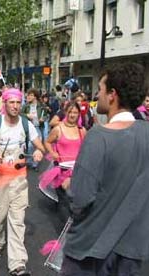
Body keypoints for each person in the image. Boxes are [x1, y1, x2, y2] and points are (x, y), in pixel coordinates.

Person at [60, 63, 149, 275]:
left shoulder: (98, 136)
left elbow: (80, 198)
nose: (97, 95)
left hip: (91, 250)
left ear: (112, 95)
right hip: (132, 249)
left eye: (100, 89)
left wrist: (69, 184)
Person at [0, 88, 45, 276]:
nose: (15, 106)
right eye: (11, 102)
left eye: (17, 102)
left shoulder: (26, 124)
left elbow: (40, 146)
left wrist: (39, 151)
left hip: (19, 178)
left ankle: (17, 263)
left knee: (17, 220)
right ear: (4, 104)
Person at [40, 102, 86, 223]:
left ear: (78, 114)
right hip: (62, 170)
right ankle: (64, 233)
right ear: (66, 113)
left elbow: (86, 148)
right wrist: (52, 153)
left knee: (76, 201)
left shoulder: (82, 130)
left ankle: (73, 228)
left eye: (75, 112)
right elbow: (47, 142)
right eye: (70, 112)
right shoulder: (58, 129)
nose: (72, 115)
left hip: (77, 171)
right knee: (64, 201)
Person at [21, 88, 46, 171]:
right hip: (28, 127)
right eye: (28, 95)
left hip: (38, 127)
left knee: (37, 145)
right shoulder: (26, 106)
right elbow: (20, 113)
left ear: (35, 97)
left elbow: (45, 115)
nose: (28, 96)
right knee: (30, 146)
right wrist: (27, 115)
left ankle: (35, 164)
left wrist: (43, 118)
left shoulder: (41, 106)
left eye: (31, 95)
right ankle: (29, 162)